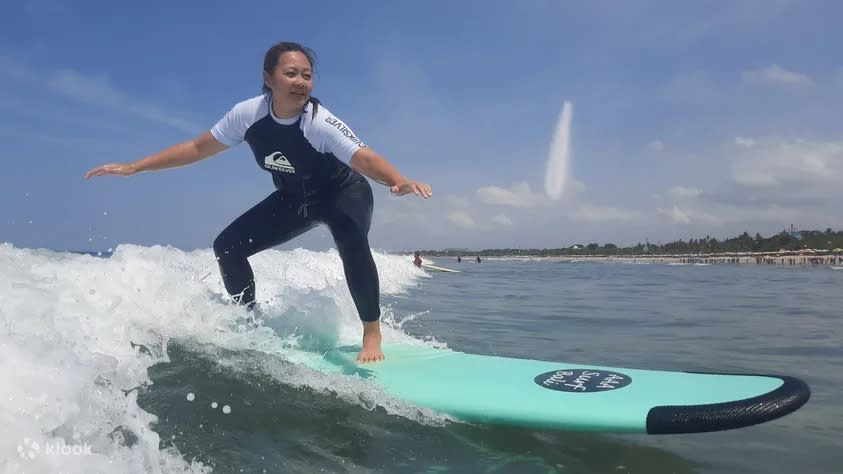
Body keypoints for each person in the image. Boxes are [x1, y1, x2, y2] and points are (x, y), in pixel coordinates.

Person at [85, 41, 432, 364]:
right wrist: (137, 167)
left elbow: (364, 158)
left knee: (352, 242)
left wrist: (398, 180)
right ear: (269, 78)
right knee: (227, 246)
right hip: (294, 199)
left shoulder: (319, 123)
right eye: (291, 73)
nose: (300, 82)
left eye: (307, 76)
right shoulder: (247, 115)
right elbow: (196, 148)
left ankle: (372, 334)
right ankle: (250, 322)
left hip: (343, 193)